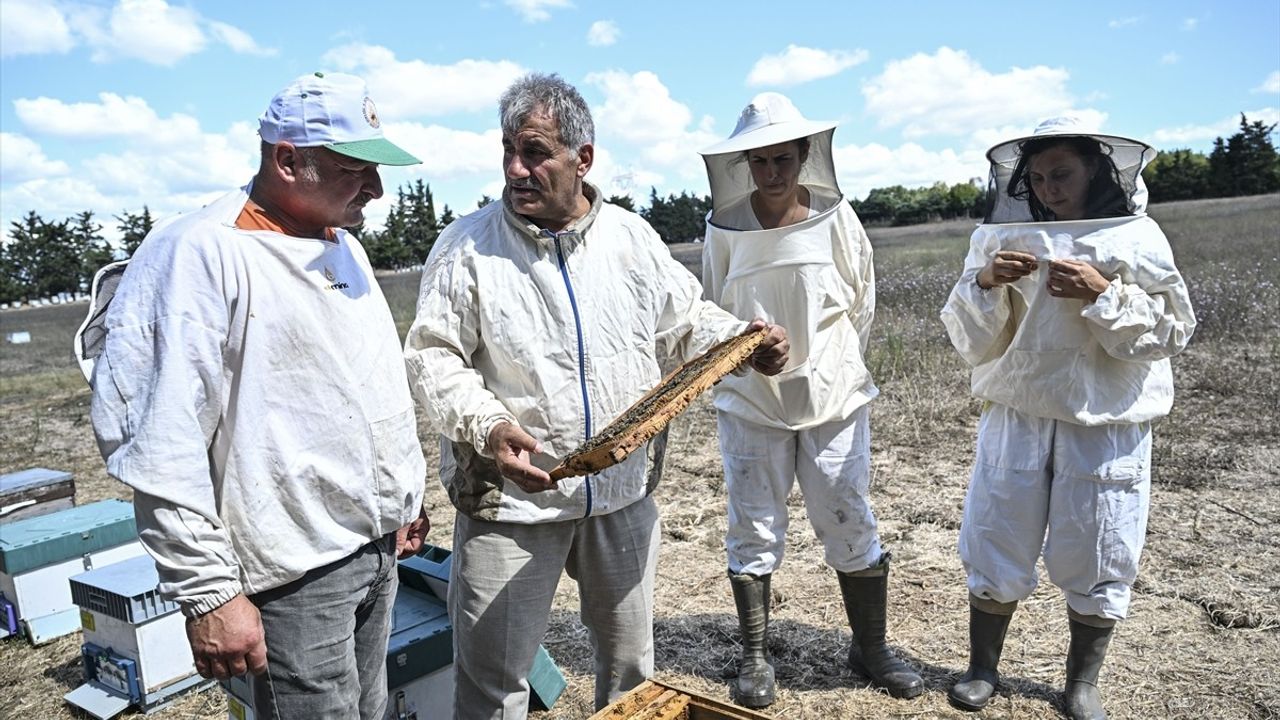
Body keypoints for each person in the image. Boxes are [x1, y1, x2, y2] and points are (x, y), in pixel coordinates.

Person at [403, 72, 790, 719]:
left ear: (583, 159)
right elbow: (433, 358)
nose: (515, 168)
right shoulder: (466, 246)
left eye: (534, 152)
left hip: (620, 495)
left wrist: (746, 344)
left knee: (632, 671)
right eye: (508, 150)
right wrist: (492, 428)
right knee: (494, 683)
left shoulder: (631, 239)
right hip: (511, 507)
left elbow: (687, 322)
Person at [89, 72, 431, 720]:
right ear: (287, 159)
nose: (378, 188)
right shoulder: (199, 254)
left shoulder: (343, 245)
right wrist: (209, 593)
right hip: (294, 579)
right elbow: (162, 439)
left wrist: (402, 498)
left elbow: (365, 388)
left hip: (375, 551)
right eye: (356, 168)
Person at [940, 116, 1196, 720]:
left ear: (1095, 173)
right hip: (1018, 411)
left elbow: (1172, 330)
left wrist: (1104, 292)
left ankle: (1082, 682)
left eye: (1063, 174)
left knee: (1100, 544)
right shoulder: (999, 235)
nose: (1050, 188)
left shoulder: (1137, 237)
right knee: (997, 533)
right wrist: (984, 281)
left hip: (1104, 419)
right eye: (1038, 177)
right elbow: (966, 337)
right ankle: (982, 669)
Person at [698, 92, 923, 707]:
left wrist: (828, 362)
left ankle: (870, 648)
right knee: (753, 522)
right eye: (761, 162)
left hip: (833, 395)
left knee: (846, 513)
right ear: (744, 164)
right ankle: (753, 657)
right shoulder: (723, 229)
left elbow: (860, 300)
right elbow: (712, 309)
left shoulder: (835, 218)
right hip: (750, 401)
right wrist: (747, 350)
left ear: (804, 156)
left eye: (783, 161)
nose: (773, 174)